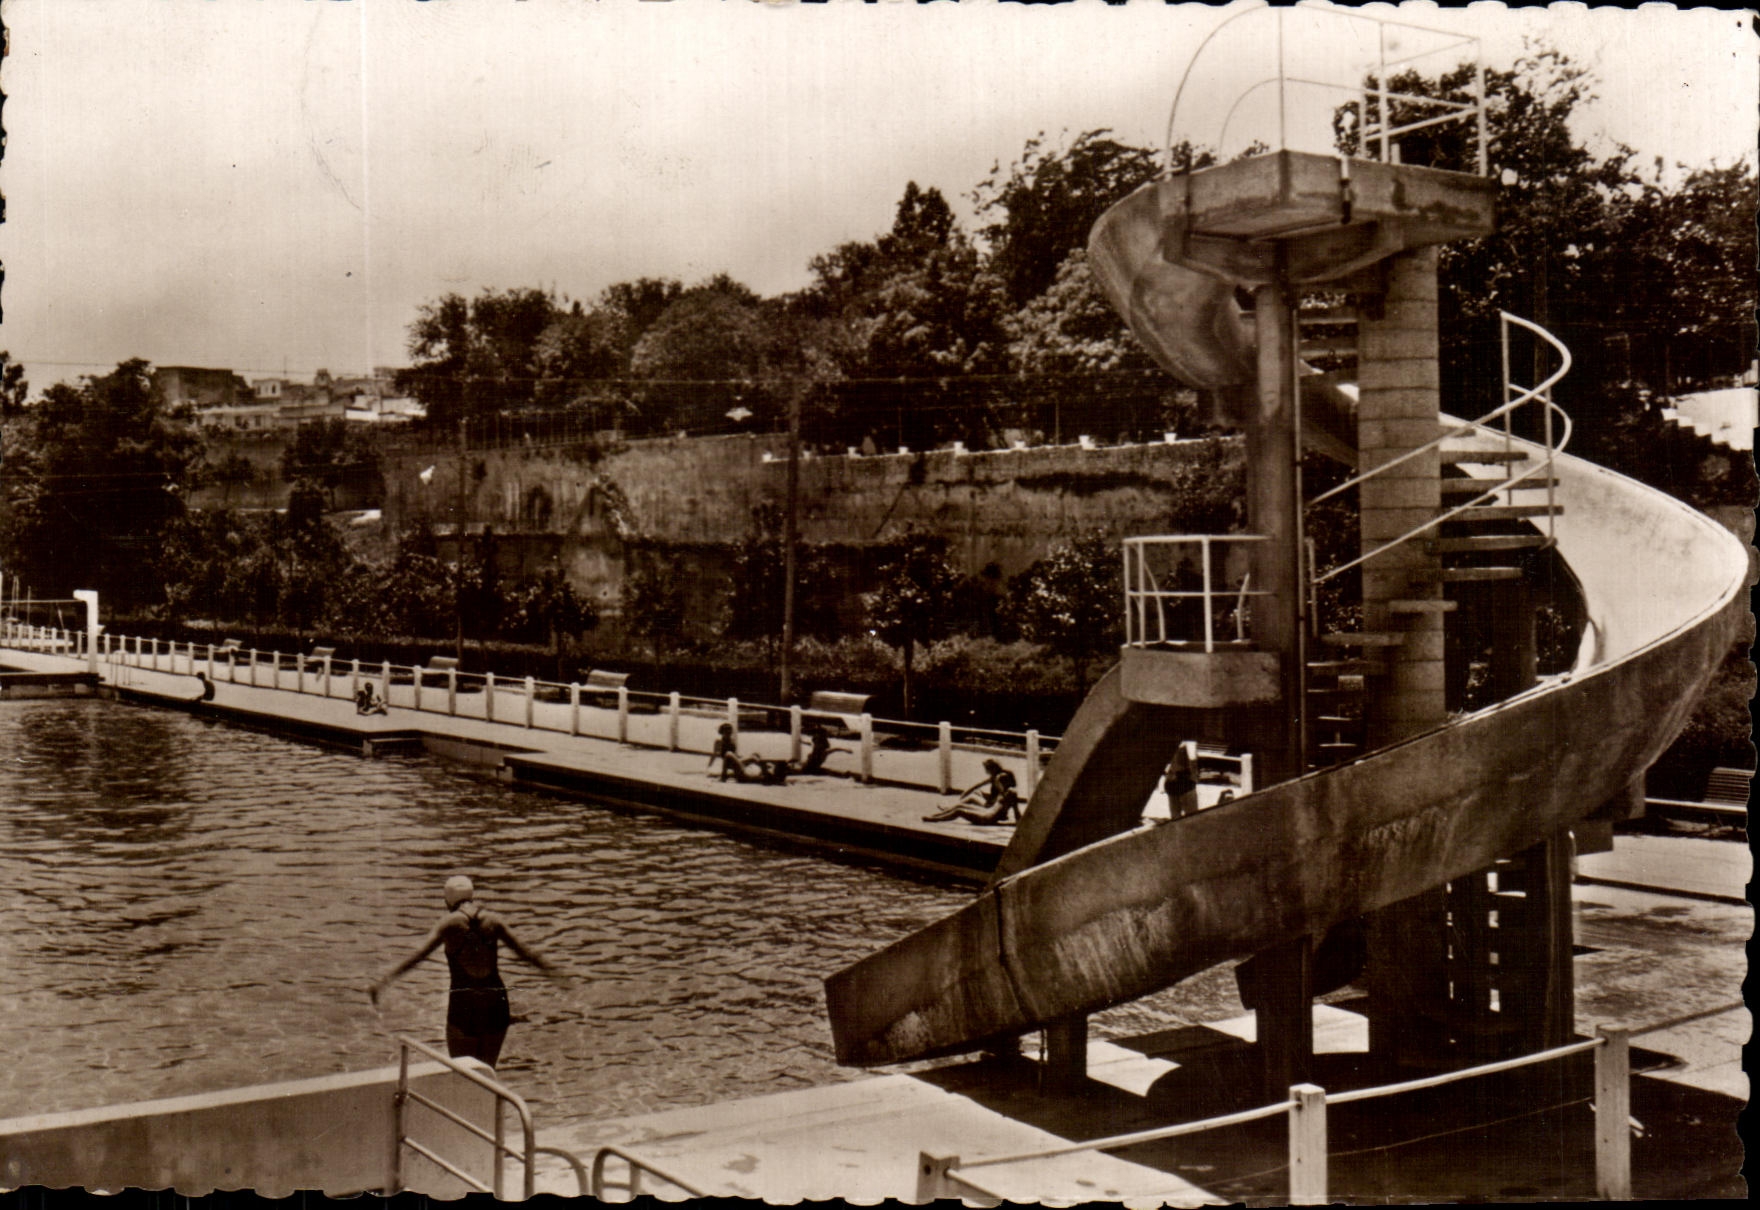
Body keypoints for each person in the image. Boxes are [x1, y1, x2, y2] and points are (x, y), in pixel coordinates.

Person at [367, 875, 561, 1068]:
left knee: (464, 1074)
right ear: (471, 896)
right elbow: (526, 953)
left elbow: (417, 956)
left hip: (464, 1005)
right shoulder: (493, 921)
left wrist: (384, 981)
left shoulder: (449, 924)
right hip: (496, 1004)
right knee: (488, 1073)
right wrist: (556, 974)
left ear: (447, 901)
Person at [924, 758, 1021, 824]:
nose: (998, 782)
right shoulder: (1004, 792)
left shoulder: (1011, 793)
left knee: (959, 811)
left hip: (987, 818)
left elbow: (1017, 814)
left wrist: (1014, 819)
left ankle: (935, 819)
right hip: (987, 812)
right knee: (960, 806)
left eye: (1000, 781)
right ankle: (935, 815)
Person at [1164, 744, 1200, 819]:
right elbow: (1192, 760)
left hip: (1173, 782)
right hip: (1185, 783)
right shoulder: (1188, 744)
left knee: (1175, 816)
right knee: (1192, 816)